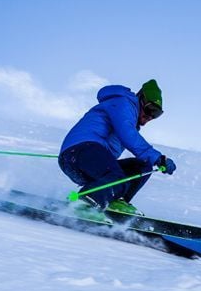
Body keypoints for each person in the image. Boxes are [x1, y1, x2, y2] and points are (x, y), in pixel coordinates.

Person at [59, 79, 176, 215]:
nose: (150, 116)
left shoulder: (132, 119)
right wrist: (158, 158)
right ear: (140, 99)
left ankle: (115, 202)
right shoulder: (123, 103)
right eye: (150, 109)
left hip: (91, 160)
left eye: (156, 114)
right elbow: (127, 134)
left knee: (142, 167)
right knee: (117, 177)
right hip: (78, 152)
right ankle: (84, 203)